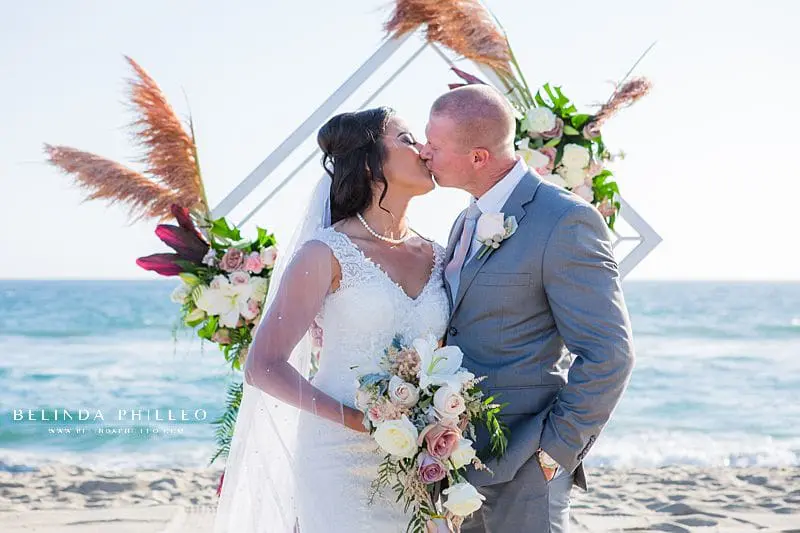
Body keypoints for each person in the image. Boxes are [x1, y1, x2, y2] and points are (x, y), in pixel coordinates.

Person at [214, 107, 450, 532]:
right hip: (339, 458)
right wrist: (360, 421)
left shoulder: (441, 256)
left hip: (424, 456)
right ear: (369, 162)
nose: (424, 149)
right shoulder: (325, 253)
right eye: (407, 139)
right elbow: (262, 365)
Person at [420, 85, 636, 533]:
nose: (424, 153)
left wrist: (555, 452)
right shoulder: (465, 219)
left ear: (478, 157)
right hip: (462, 462)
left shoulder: (564, 220)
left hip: (527, 463)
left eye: (434, 145)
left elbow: (609, 353)